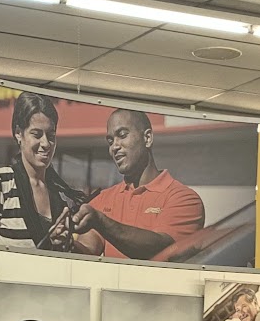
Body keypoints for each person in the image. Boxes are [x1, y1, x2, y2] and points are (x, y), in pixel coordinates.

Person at [70, 110, 205, 259]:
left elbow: (164, 252)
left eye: (122, 135)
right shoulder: (102, 199)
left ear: (147, 138)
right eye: (110, 141)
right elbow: (87, 250)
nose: (114, 147)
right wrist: (65, 243)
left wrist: (102, 222)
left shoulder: (184, 199)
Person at [0, 92, 90, 249]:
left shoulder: (60, 195)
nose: (46, 143)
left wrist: (65, 243)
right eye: (37, 134)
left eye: (51, 135)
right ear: (19, 133)